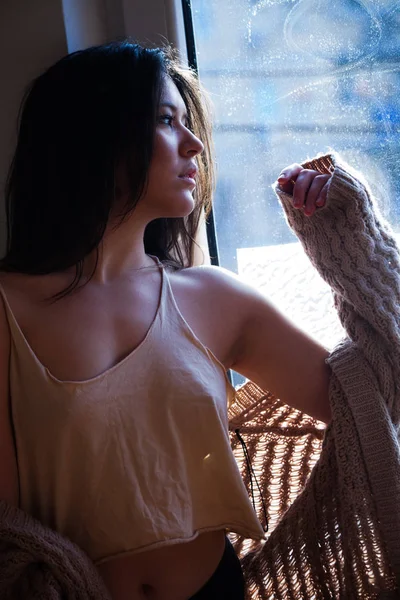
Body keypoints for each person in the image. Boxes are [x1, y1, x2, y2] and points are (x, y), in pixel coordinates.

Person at [0, 41, 333, 600]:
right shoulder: (8, 308)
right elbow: (8, 529)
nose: (195, 143)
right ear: (93, 135)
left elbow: (370, 396)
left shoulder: (214, 297)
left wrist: (347, 244)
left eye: (188, 122)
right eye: (164, 119)